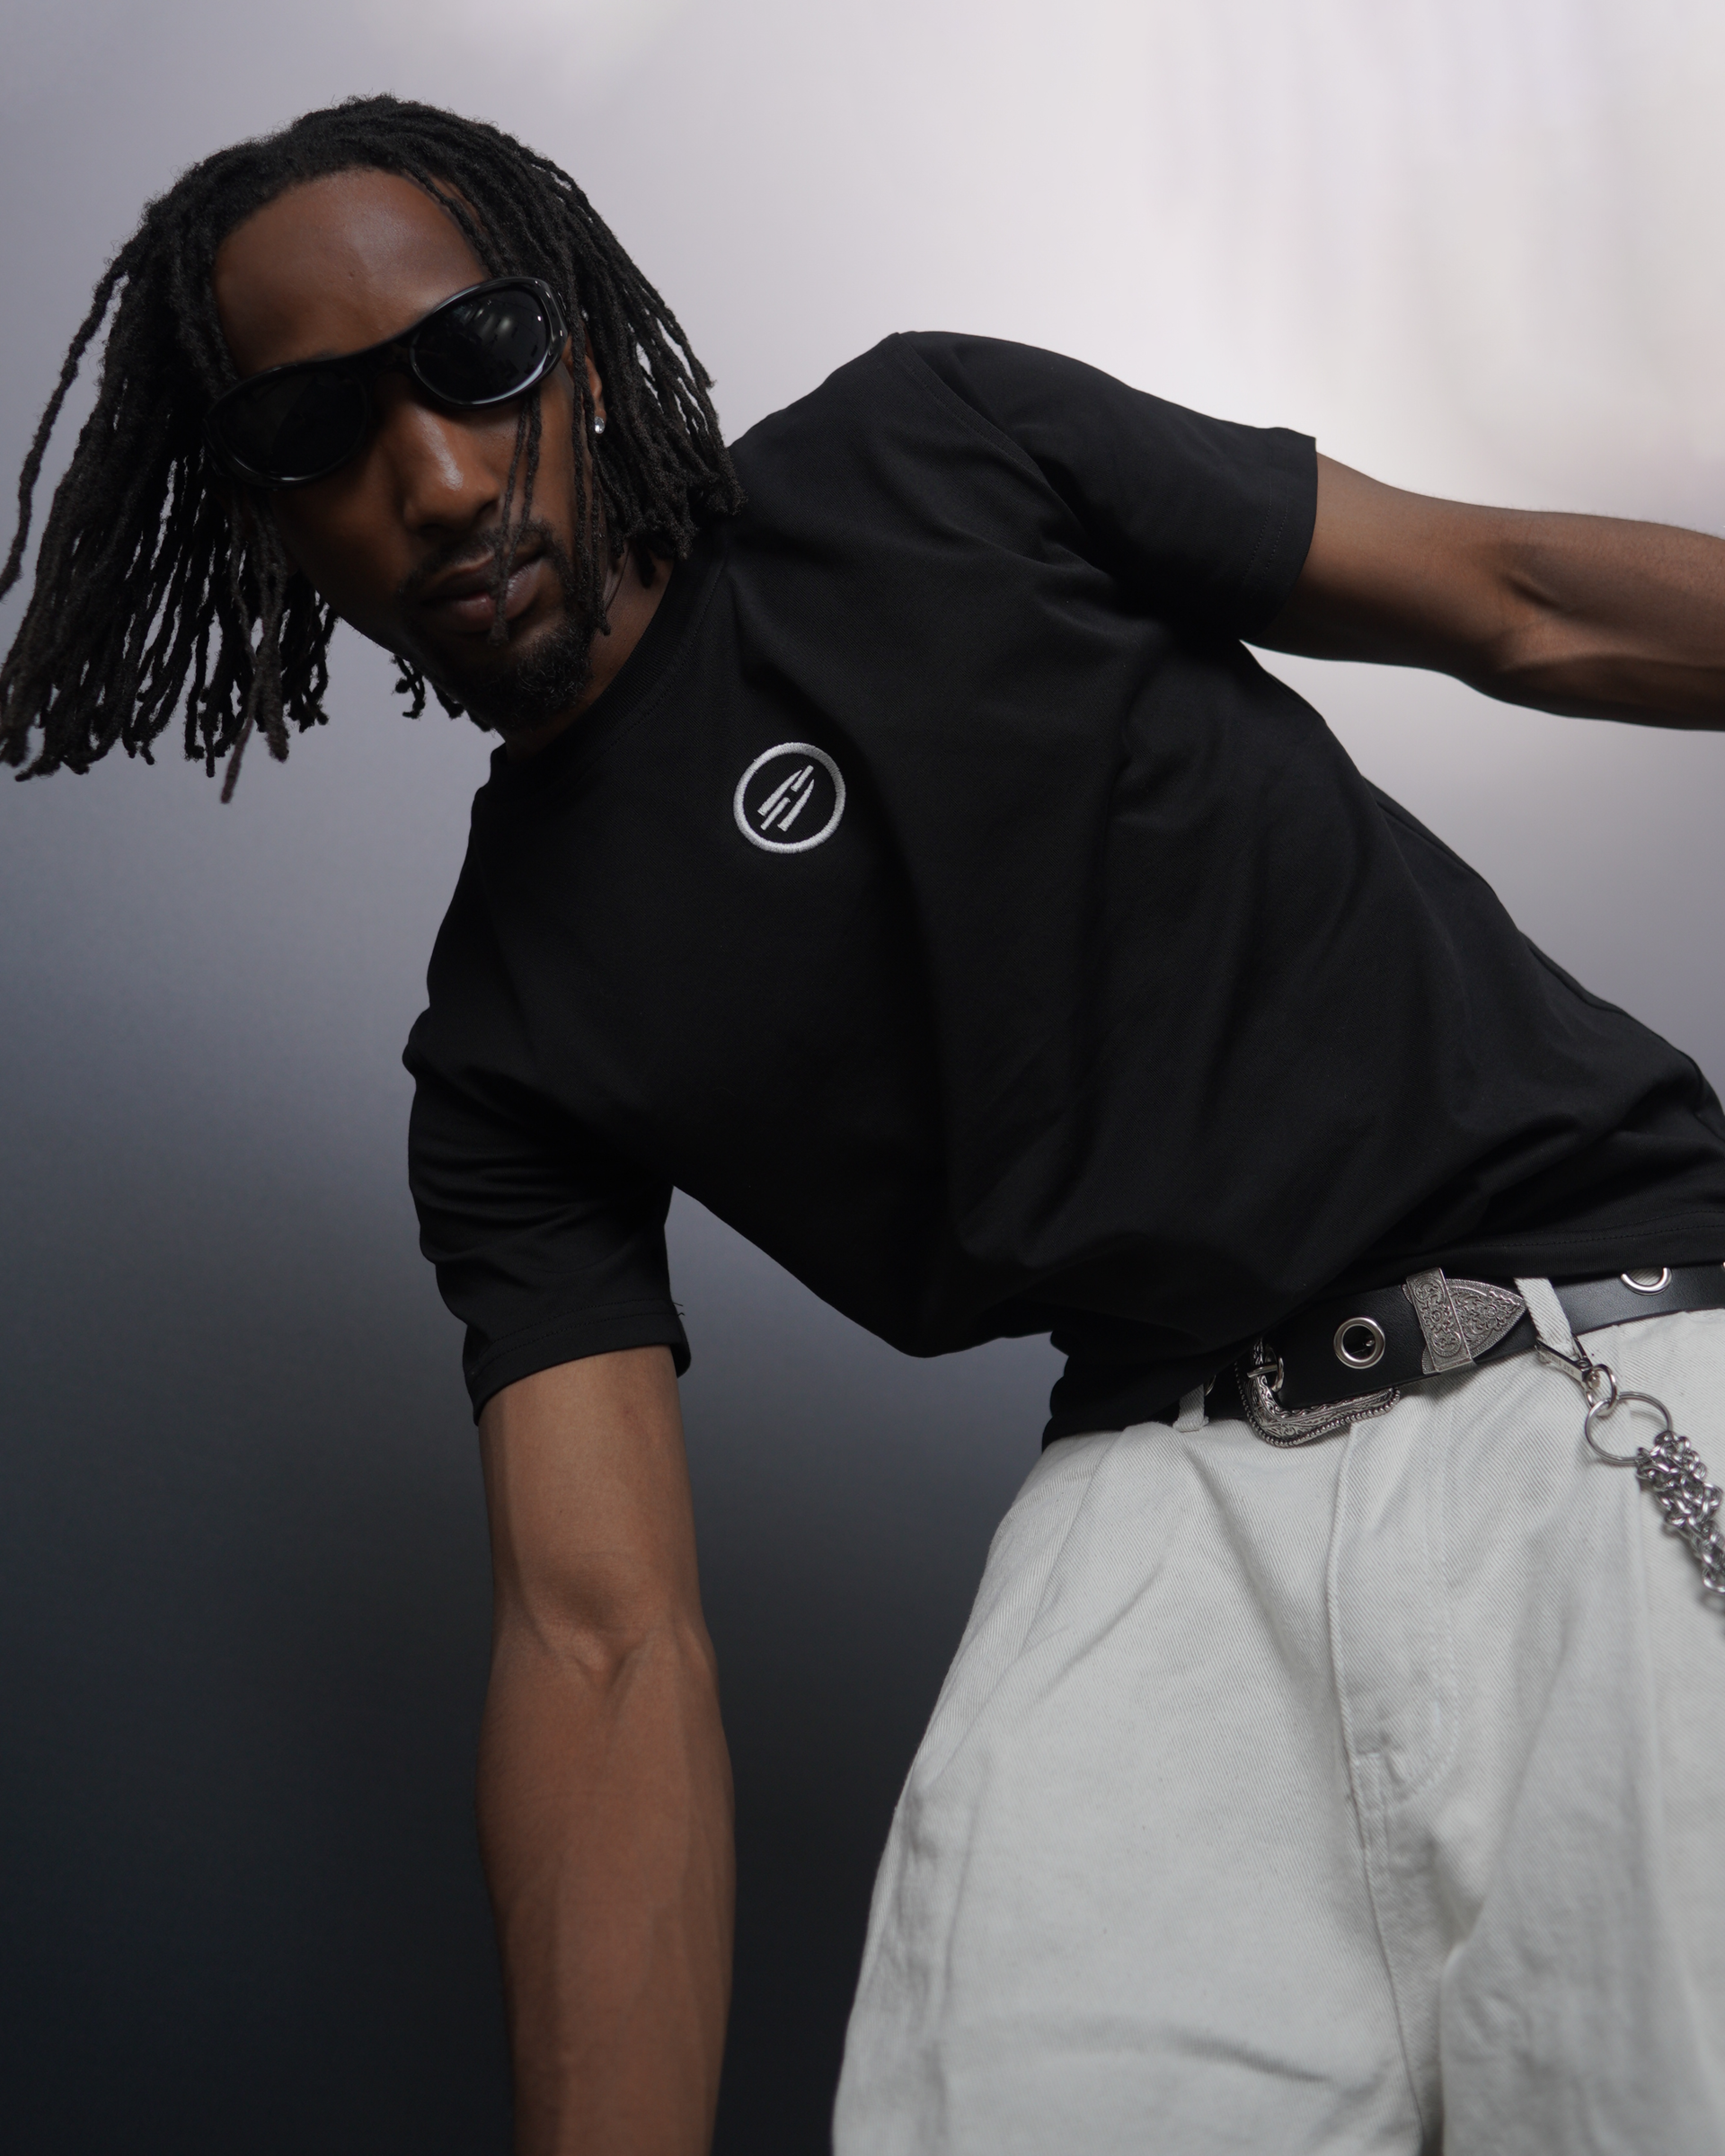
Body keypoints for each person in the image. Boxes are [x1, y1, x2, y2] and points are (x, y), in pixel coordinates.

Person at [5, 91, 1725, 2156]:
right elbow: (602, 1644)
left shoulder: (936, 451)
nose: (440, 481)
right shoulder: (506, 1046)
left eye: (476, 360)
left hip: (1597, 1333)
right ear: (259, 520)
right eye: (316, 434)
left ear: (582, 350)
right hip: (1166, 1496)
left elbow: (1518, 595)